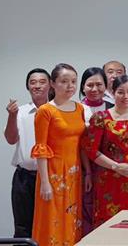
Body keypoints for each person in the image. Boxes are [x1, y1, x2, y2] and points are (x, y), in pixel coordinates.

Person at [82, 75, 128, 228]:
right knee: (108, 222)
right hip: (108, 178)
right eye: (120, 92)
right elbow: (90, 150)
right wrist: (115, 166)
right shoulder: (101, 118)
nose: (126, 96)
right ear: (112, 93)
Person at [31, 63, 87, 246]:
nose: (70, 86)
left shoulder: (79, 108)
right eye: (64, 81)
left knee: (72, 218)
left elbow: (81, 144)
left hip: (74, 172)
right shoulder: (45, 110)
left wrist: (87, 172)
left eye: (73, 81)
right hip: (53, 173)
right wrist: (45, 182)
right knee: (52, 219)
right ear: (53, 84)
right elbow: (41, 148)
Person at [4, 68, 51, 238]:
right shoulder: (21, 111)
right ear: (28, 87)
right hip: (24, 178)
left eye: (42, 82)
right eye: (33, 82)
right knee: (23, 227)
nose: (37, 86)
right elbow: (11, 139)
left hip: (51, 177)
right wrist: (12, 115)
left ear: (51, 85)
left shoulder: (57, 110)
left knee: (50, 224)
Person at [79, 67, 109, 235]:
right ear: (83, 87)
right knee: (86, 212)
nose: (95, 89)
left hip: (109, 169)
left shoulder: (113, 107)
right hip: (84, 170)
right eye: (90, 85)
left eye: (99, 84)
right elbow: (82, 144)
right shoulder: (77, 109)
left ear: (106, 86)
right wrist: (88, 172)